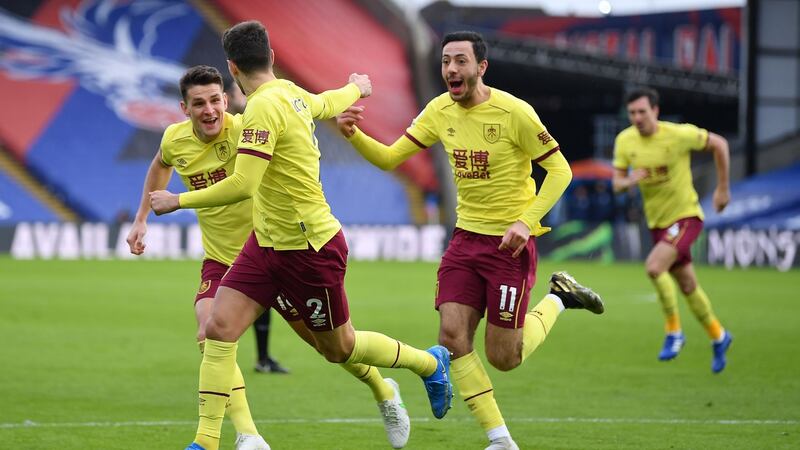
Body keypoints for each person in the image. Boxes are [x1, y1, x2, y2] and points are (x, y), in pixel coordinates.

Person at [149, 21, 453, 450]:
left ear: (231, 68)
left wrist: (176, 202)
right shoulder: (291, 92)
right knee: (217, 329)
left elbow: (243, 185)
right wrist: (356, 88)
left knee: (339, 348)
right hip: (266, 245)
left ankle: (427, 363)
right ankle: (208, 441)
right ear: (271, 58)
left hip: (309, 247)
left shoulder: (261, 109)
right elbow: (326, 102)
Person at [336, 31, 604, 450]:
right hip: (465, 242)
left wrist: (525, 220)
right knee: (452, 337)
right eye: (445, 62)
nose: (450, 70)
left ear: (481, 67)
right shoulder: (439, 110)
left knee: (504, 357)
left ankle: (559, 298)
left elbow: (561, 172)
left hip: (509, 247)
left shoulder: (515, 112)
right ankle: (500, 439)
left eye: (460, 61)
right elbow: (390, 158)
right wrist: (354, 135)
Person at [125, 65, 269, 450]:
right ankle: (248, 434)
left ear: (226, 100)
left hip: (270, 253)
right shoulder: (176, 139)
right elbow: (159, 166)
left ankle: (382, 386)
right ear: (184, 108)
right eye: (199, 103)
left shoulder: (244, 133)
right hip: (222, 258)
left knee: (337, 347)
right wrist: (141, 220)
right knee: (209, 333)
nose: (209, 110)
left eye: (215, 101)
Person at [611, 87, 733, 373]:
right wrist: (630, 181)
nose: (637, 117)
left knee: (654, 267)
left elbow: (720, 145)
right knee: (688, 285)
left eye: (642, 111)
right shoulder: (624, 141)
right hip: (657, 223)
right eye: (632, 113)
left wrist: (723, 188)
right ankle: (719, 335)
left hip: (686, 216)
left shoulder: (678, 135)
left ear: (655, 111)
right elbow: (617, 184)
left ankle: (673, 332)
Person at [226, 79, 289, 375]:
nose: (246, 96)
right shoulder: (226, 129)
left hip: (261, 225)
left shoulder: (258, 125)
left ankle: (263, 357)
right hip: (231, 232)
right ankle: (228, 359)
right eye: (239, 92)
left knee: (269, 298)